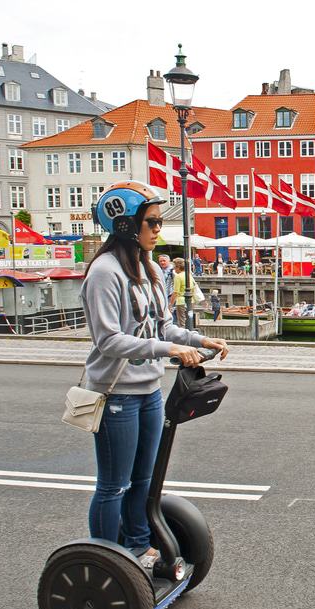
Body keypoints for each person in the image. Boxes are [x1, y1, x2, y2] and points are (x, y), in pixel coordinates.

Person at [81, 181, 229, 571]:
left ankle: (139, 547)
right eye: (152, 222)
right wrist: (170, 350)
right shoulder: (104, 273)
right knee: (114, 484)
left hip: (148, 390)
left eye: (160, 221)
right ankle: (106, 560)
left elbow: (163, 327)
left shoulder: (148, 269)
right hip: (115, 395)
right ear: (127, 226)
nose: (159, 229)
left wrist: (200, 339)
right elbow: (109, 339)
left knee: (144, 479)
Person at [170, 257, 200, 328]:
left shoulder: (178, 277)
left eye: (174, 267)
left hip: (181, 301)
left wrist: (170, 304)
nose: (174, 269)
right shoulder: (188, 275)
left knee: (182, 322)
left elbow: (176, 292)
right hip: (190, 301)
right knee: (189, 320)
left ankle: (184, 337)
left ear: (177, 267)